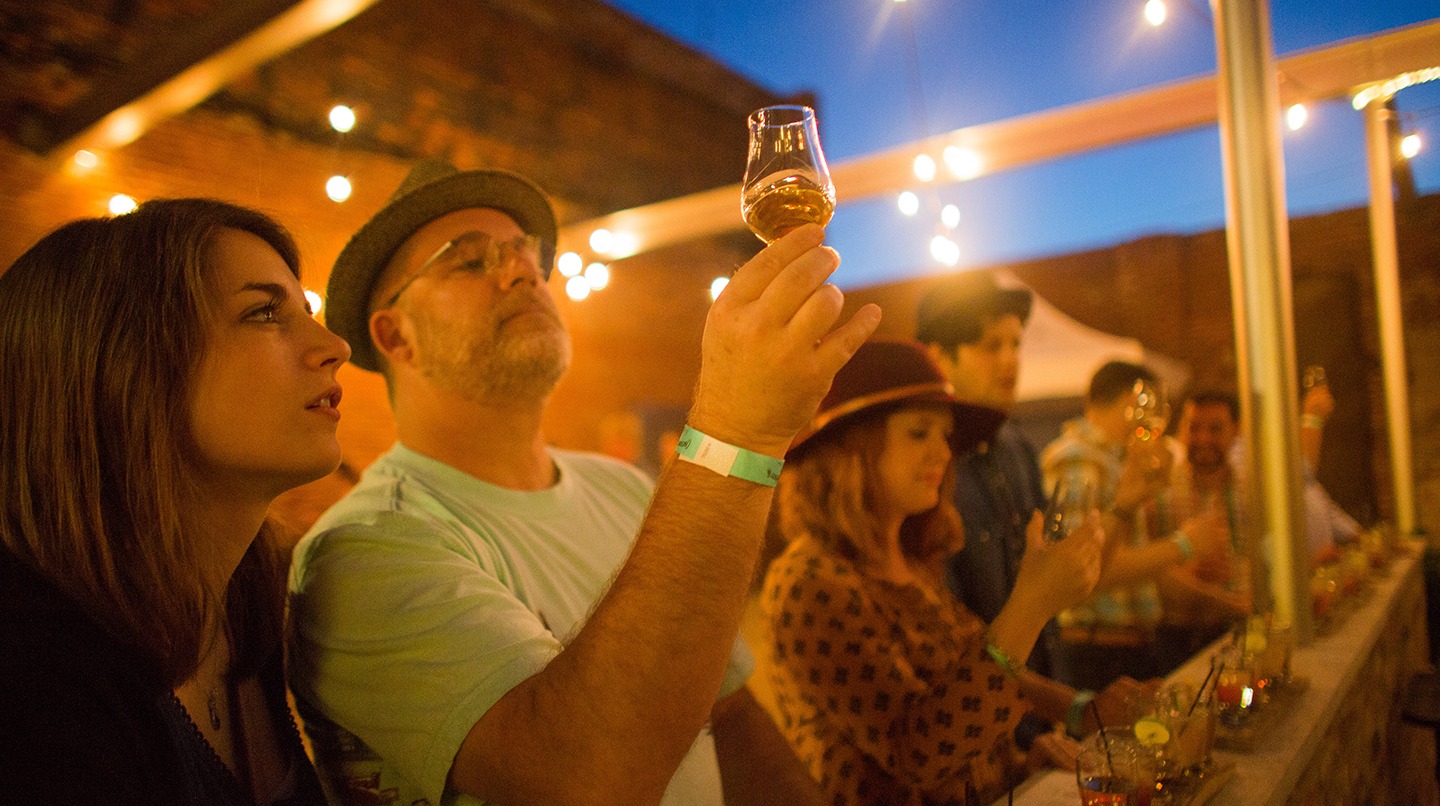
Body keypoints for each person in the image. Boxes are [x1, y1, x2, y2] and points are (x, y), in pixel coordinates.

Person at [287, 159, 879, 806]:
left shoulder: (624, 488)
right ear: (395, 335)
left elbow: (730, 717)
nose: (522, 272)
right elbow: (584, 778)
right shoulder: (365, 553)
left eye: (525, 254)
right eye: (470, 261)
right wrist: (736, 432)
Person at [0, 199, 343, 804]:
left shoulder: (245, 604)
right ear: (122, 365)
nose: (334, 346)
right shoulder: (33, 671)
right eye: (264, 313)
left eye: (306, 311)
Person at [761, 340, 1106, 805]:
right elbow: (919, 754)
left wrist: (1056, 734)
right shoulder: (808, 583)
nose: (943, 453)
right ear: (853, 447)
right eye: (919, 433)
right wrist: (1031, 604)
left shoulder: (910, 561)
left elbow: (975, 676)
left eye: (945, 436)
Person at [915, 273, 1153, 748]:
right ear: (940, 357)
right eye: (991, 346)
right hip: (970, 738)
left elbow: (1066, 583)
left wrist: (1124, 506)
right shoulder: (929, 470)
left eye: (1015, 344)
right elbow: (953, 647)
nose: (1010, 360)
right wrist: (1076, 708)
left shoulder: (1016, 449)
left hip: (1042, 724)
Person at [1040, 361, 1231, 690]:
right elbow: (1084, 567)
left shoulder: (1114, 461)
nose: (1154, 419)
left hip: (1126, 647)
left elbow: (1132, 561)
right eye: (1150, 405)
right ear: (1132, 402)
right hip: (1098, 650)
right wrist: (1184, 545)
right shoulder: (1080, 458)